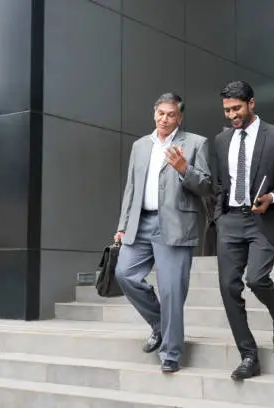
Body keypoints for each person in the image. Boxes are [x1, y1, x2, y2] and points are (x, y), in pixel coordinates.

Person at [212, 80, 274, 380]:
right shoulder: (221, 140)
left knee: (256, 278)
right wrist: (219, 215)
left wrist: (273, 197)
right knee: (228, 287)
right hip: (230, 221)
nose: (231, 115)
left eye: (236, 108)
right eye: (227, 110)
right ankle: (248, 355)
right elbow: (219, 184)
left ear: (251, 103)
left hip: (264, 219)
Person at [114, 92, 212, 373]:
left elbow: (206, 187)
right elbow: (130, 188)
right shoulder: (140, 145)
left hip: (175, 226)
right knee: (125, 274)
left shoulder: (195, 143)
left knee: (172, 291)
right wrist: (123, 225)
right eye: (161, 113)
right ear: (154, 114)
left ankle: (171, 354)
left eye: (171, 115)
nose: (165, 119)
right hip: (140, 224)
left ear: (179, 117)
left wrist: (185, 169)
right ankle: (160, 324)